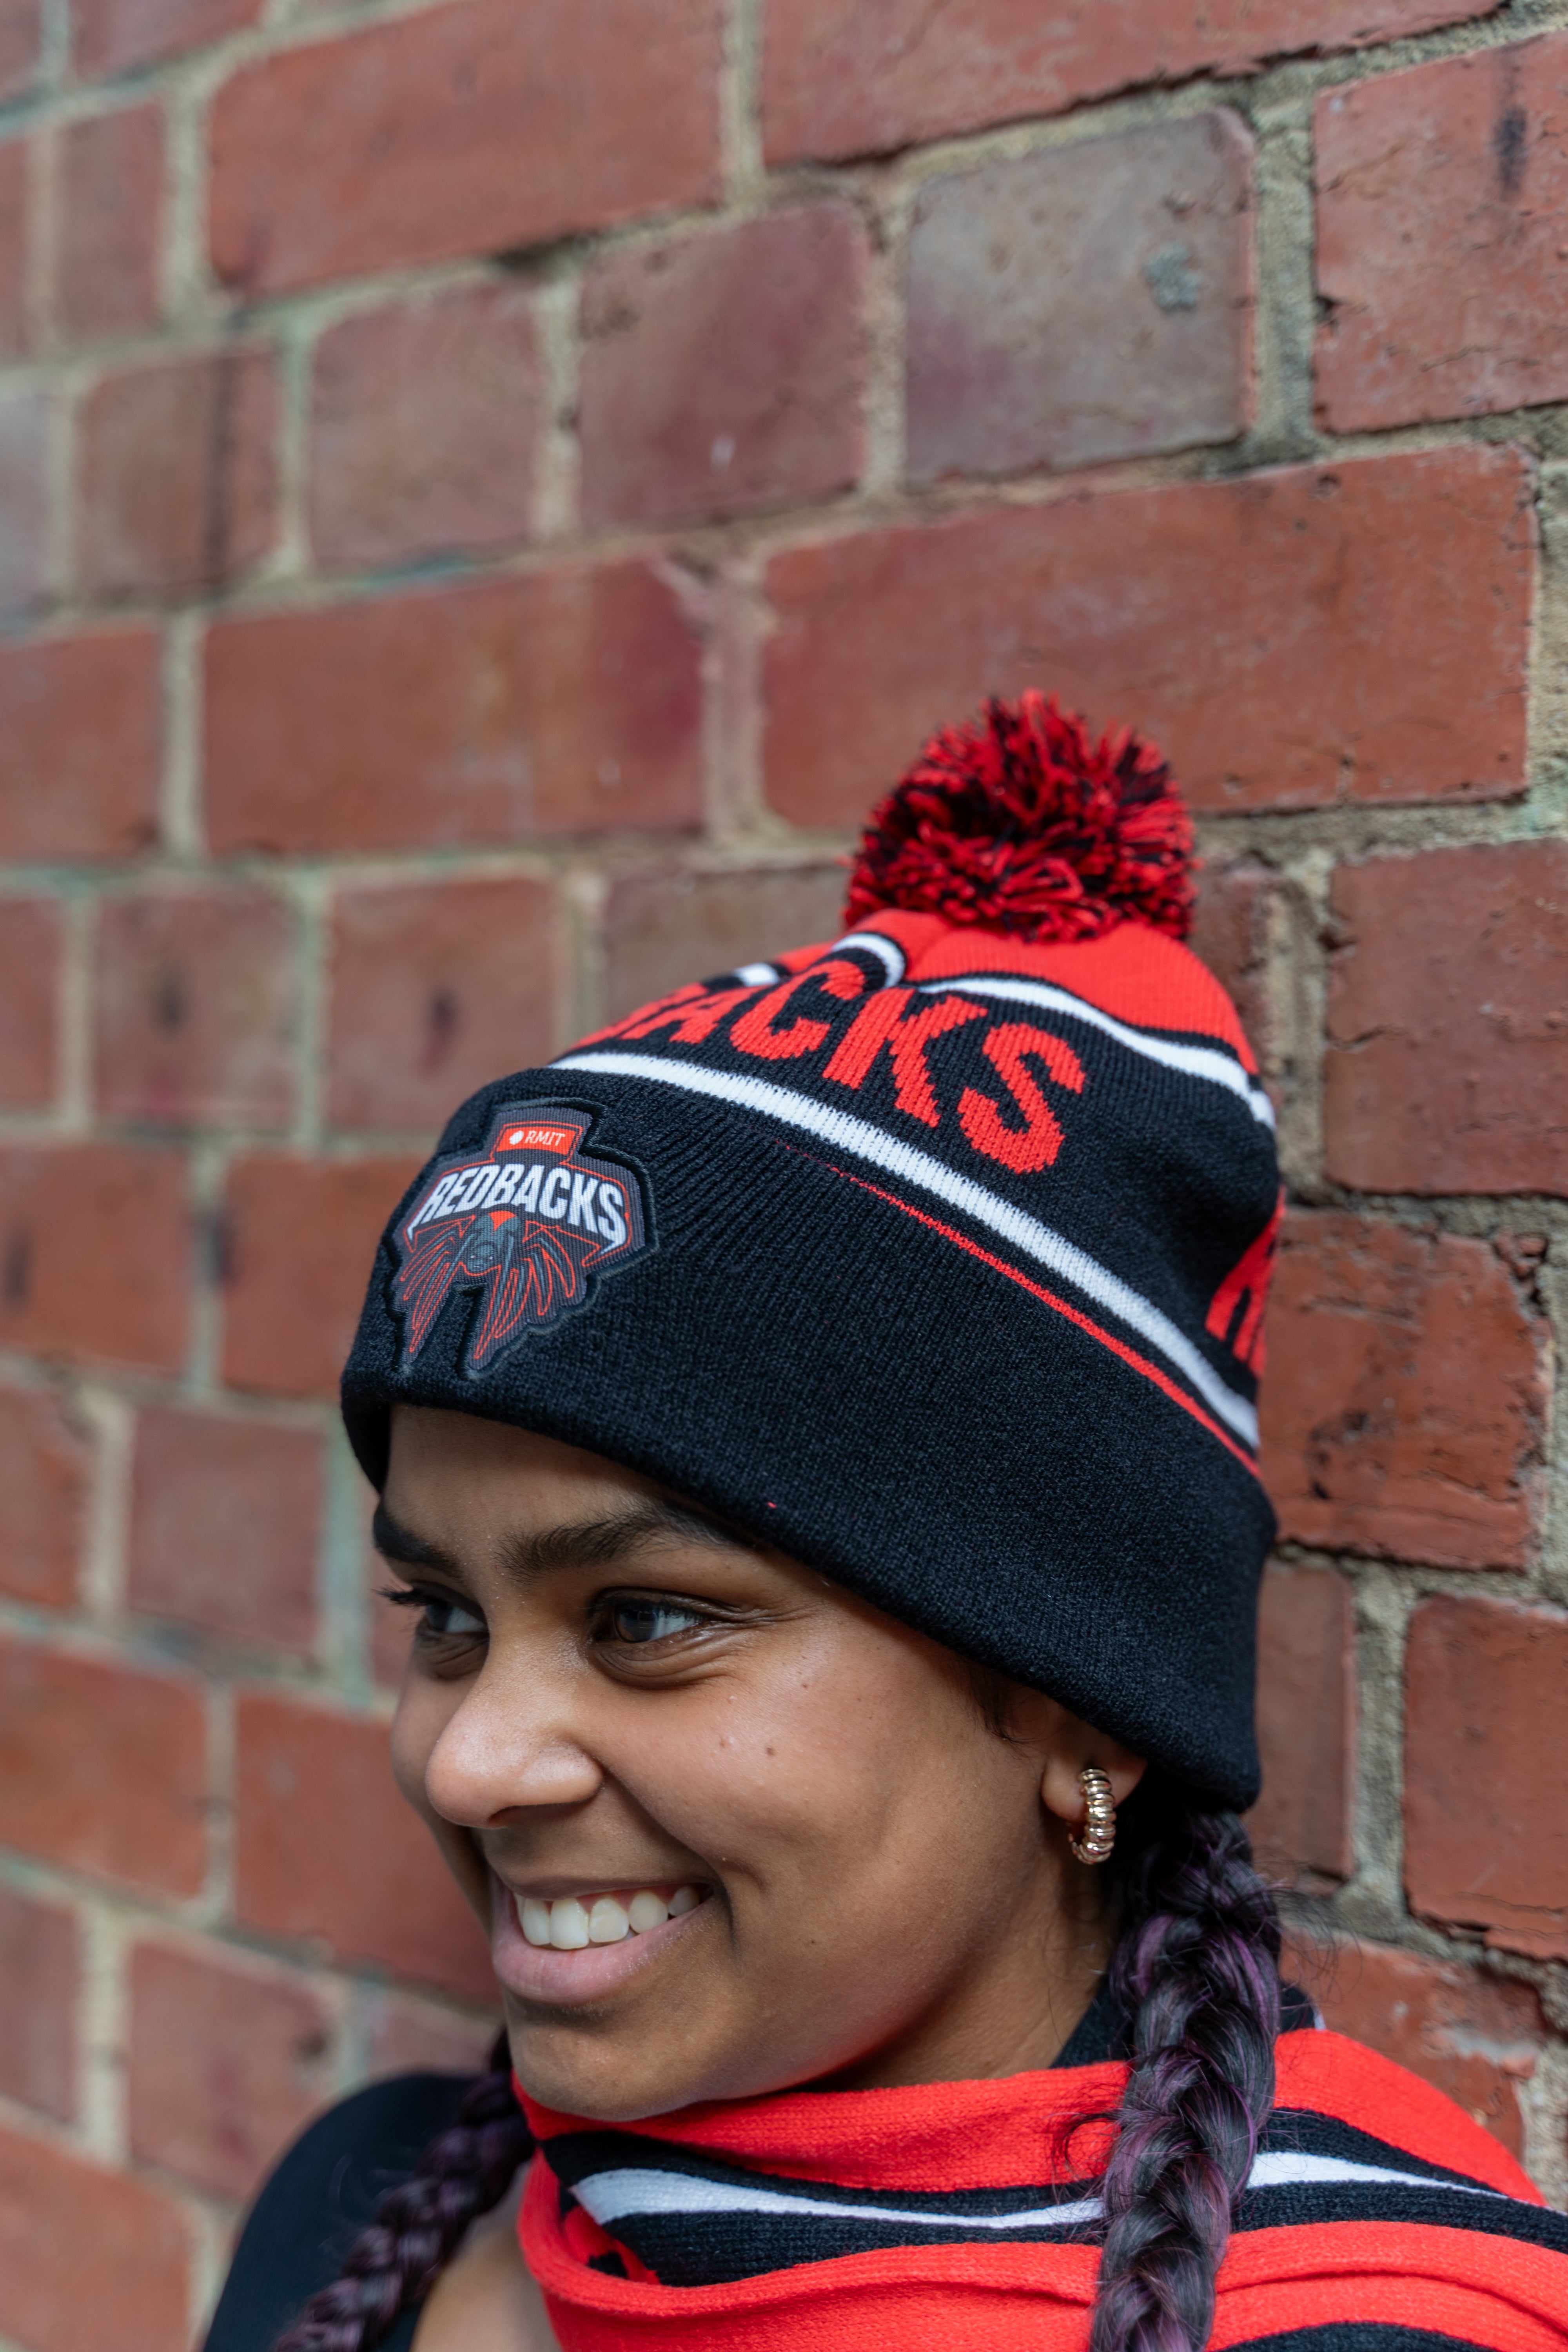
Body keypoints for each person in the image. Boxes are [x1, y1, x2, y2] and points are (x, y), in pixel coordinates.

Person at [204, 695, 1568, 2352]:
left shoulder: (1369, 2333)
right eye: (443, 1613)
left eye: (642, 1618)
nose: (470, 1762)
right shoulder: (367, 2213)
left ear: (1081, 1703)